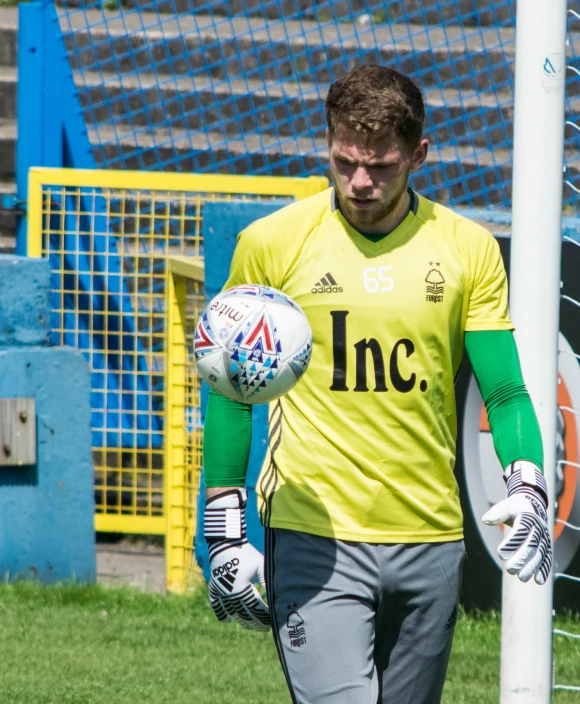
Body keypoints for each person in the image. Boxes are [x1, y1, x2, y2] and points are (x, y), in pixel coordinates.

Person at [202, 64, 552, 704]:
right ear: (329, 142)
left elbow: (504, 391)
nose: (360, 182)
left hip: (432, 537)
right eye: (344, 161)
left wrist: (529, 484)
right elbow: (228, 383)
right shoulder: (272, 243)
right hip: (314, 533)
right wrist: (224, 529)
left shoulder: (468, 250)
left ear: (418, 153)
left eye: (382, 166)